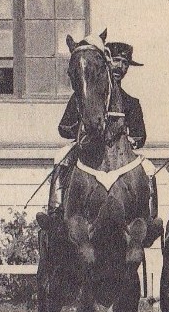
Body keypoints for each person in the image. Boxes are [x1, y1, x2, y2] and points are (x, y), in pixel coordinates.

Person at [46, 41, 149, 218]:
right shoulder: (83, 95)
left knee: (149, 169)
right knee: (61, 158)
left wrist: (132, 139)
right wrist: (81, 130)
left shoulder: (132, 102)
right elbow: (63, 127)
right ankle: (55, 209)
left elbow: (140, 135)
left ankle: (148, 215)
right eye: (116, 61)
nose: (121, 67)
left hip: (120, 155)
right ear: (107, 64)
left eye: (125, 63)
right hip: (86, 149)